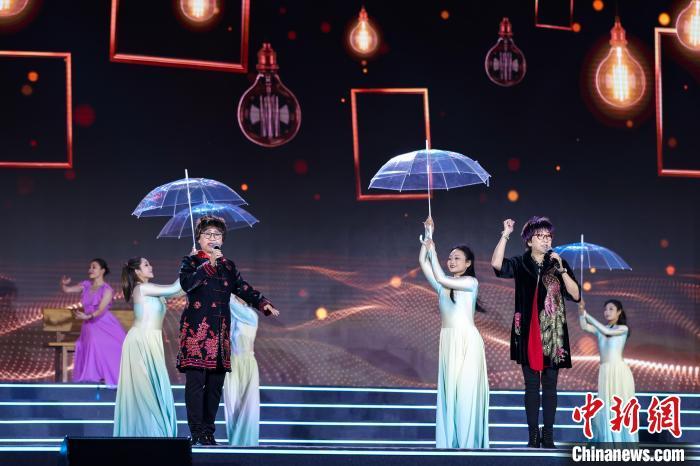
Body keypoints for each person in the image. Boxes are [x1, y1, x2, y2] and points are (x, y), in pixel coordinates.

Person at [178, 215, 279, 446]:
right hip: (197, 332)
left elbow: (242, 288)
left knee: (215, 387)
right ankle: (196, 432)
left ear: (222, 240)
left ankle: (208, 432)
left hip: (220, 332)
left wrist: (262, 303)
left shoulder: (229, 266)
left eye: (217, 235)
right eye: (208, 234)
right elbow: (187, 284)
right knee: (196, 384)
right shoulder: (190, 262)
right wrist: (208, 265)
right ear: (199, 238)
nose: (213, 238)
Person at [491, 217, 580, 448]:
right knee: (531, 386)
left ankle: (548, 435)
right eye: (541, 236)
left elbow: (576, 294)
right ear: (529, 241)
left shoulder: (557, 262)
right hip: (528, 330)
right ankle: (532, 435)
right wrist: (505, 234)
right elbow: (497, 265)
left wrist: (562, 270)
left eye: (549, 236)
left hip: (553, 331)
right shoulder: (520, 262)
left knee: (550, 385)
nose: (546, 240)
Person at [420, 217, 489, 449]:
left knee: (466, 394)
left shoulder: (470, 282)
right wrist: (428, 235)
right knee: (450, 395)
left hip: (467, 342)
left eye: (457, 258)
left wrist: (434, 250)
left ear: (468, 263)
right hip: (449, 343)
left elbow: (440, 275)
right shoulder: (443, 287)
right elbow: (423, 263)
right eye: (449, 258)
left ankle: (469, 447)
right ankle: (451, 445)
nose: (451, 261)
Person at [113, 257, 184, 437]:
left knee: (152, 389)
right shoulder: (142, 288)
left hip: (151, 341)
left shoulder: (151, 289)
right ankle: (149, 434)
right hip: (140, 342)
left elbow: (179, 291)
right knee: (145, 391)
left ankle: (153, 433)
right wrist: (191, 262)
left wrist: (200, 265)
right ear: (137, 271)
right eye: (146, 265)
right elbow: (174, 288)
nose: (151, 266)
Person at [578, 299, 638, 444]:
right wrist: (581, 313)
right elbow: (585, 326)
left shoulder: (623, 329)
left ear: (619, 312)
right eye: (605, 309)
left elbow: (607, 331)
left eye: (611, 309)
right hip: (605, 372)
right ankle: (608, 441)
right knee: (605, 406)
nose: (607, 312)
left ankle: (622, 442)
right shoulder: (602, 328)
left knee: (619, 407)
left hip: (618, 372)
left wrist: (587, 314)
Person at [60, 258, 125, 387]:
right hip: (90, 324)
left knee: (114, 345)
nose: (90, 269)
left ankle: (110, 376)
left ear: (102, 271)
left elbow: (101, 309)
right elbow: (67, 290)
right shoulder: (86, 285)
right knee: (92, 342)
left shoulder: (107, 290)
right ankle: (93, 377)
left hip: (104, 323)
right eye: (90, 267)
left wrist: (88, 316)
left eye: (94, 267)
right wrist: (63, 284)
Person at [223, 296, 263, 446]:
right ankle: (234, 443)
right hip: (232, 363)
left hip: (247, 363)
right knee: (232, 405)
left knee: (248, 405)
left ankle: (247, 443)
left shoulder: (250, 315)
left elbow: (231, 303)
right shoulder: (230, 317)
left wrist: (227, 291)